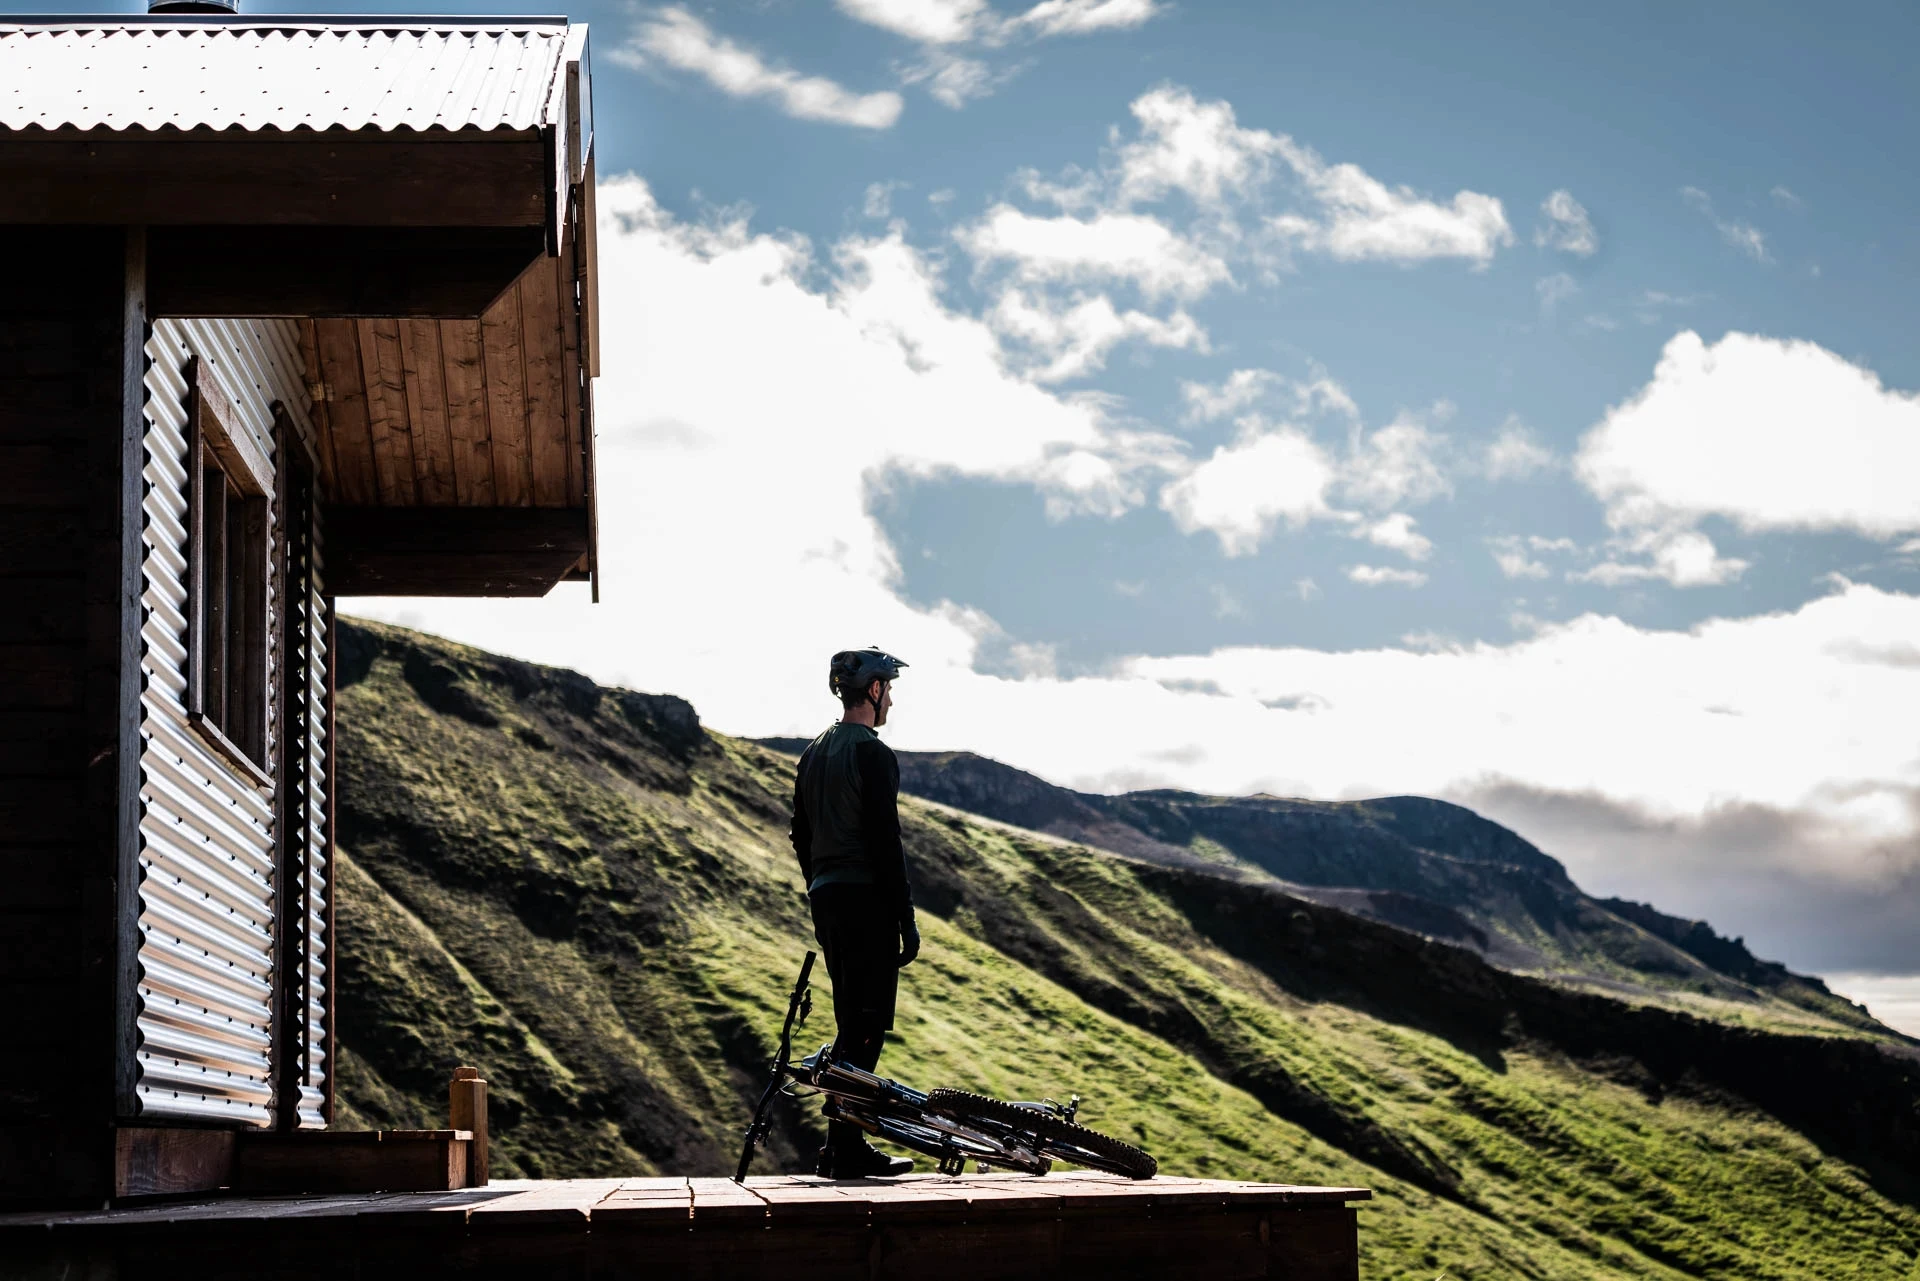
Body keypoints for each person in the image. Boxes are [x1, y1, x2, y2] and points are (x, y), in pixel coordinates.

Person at [789, 647, 920, 1178]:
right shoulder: (872, 752)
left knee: (851, 1019)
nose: (891, 698)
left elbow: (800, 833)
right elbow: (886, 843)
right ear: (872, 691)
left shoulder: (813, 752)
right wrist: (904, 917)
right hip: (866, 900)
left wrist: (818, 882)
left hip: (827, 897)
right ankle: (845, 1148)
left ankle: (841, 1143)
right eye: (889, 688)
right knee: (866, 1025)